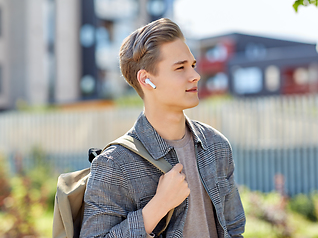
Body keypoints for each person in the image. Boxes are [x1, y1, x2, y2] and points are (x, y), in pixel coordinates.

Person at [80, 18, 246, 238]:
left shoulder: (216, 146)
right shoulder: (114, 164)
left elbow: (234, 229)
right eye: (180, 67)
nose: (195, 75)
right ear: (147, 80)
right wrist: (158, 207)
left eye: (193, 65)